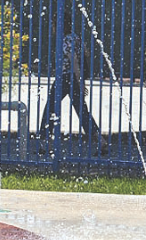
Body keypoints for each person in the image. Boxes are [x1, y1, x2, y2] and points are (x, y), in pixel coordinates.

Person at [38, 12, 108, 156]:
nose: (52, 27)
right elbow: (86, 53)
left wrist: (80, 81)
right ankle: (101, 141)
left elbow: (74, 60)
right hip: (73, 79)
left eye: (53, 24)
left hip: (65, 78)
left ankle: (45, 144)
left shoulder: (65, 40)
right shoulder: (75, 37)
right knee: (82, 112)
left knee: (50, 108)